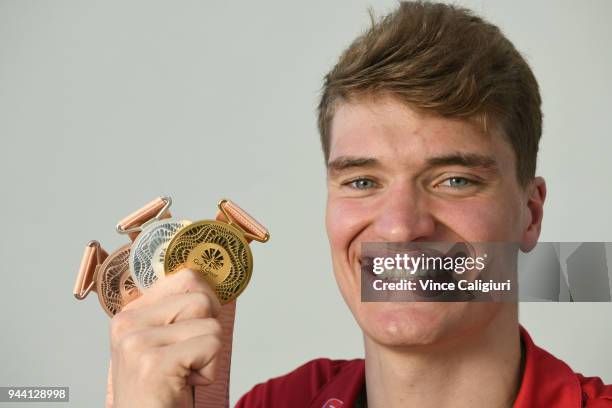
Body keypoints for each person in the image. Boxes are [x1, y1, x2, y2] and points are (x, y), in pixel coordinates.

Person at [106, 2, 612, 407]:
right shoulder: (278, 403)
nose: (398, 227)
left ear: (531, 215)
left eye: (454, 180)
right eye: (363, 181)